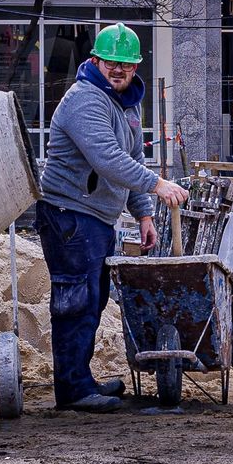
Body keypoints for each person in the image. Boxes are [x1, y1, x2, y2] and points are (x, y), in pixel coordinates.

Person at [37, 23, 188, 412]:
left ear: (136, 68)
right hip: (70, 213)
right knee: (75, 301)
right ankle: (72, 391)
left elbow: (133, 158)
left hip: (96, 217)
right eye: (111, 63)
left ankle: (81, 380)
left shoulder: (126, 104)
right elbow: (107, 158)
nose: (118, 70)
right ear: (95, 61)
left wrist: (144, 215)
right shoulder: (85, 100)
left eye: (125, 64)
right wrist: (158, 184)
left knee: (94, 299)